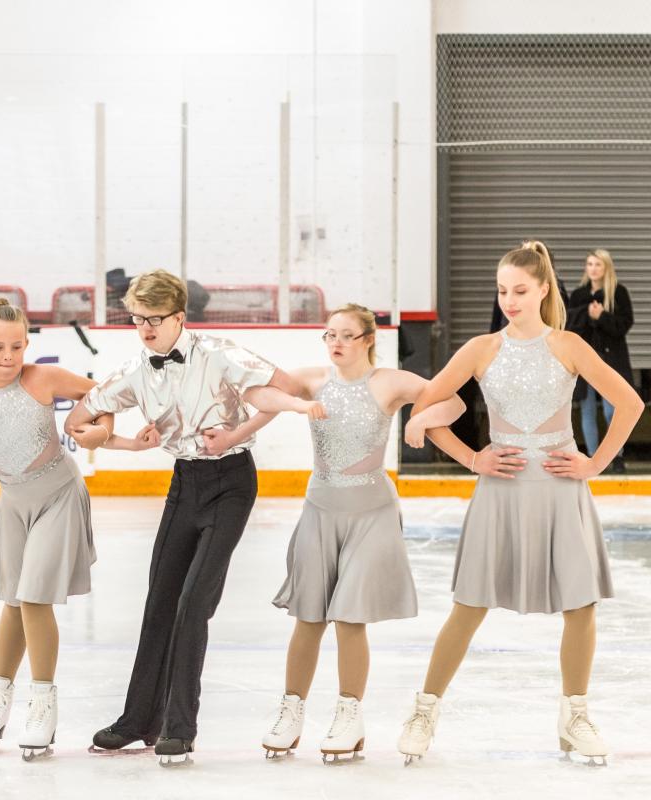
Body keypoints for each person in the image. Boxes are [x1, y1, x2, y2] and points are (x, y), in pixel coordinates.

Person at [396, 242, 643, 766]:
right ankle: (424, 710)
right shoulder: (481, 349)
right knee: (469, 607)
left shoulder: (569, 344)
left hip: (559, 487)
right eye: (503, 290)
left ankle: (574, 715)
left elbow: (630, 402)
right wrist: (472, 458)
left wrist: (594, 464)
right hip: (501, 491)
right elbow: (426, 406)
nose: (509, 300)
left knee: (580, 606)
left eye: (520, 290)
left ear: (543, 290)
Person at [65, 269, 309, 766]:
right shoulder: (136, 369)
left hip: (231, 485)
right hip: (183, 486)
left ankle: (181, 727)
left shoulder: (220, 353)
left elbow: (283, 389)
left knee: (193, 603)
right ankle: (138, 721)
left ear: (179, 317)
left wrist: (239, 433)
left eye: (154, 319)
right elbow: (79, 419)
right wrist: (118, 439)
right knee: (159, 604)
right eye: (137, 320)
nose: (146, 329)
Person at [0, 298, 154, 761]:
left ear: (26, 345)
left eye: (16, 346)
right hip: (13, 504)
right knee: (14, 602)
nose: (7, 356)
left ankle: (43, 702)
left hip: (58, 495)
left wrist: (103, 431)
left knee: (35, 598)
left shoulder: (43, 378)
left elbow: (103, 397)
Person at [226, 303, 464, 764]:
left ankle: (348, 714)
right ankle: (291, 709)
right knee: (309, 617)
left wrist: (418, 418)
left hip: (372, 513)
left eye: (346, 335)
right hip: (321, 511)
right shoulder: (313, 379)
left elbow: (452, 401)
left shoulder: (391, 383)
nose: (336, 343)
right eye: (329, 335)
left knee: (351, 617)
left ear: (367, 340)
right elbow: (260, 395)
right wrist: (262, 421)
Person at [566, 249, 636, 473]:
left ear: (606, 267)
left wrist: (602, 316)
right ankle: (594, 458)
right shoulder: (578, 295)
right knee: (586, 409)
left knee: (611, 409)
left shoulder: (618, 293)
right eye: (590, 264)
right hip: (584, 361)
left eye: (598, 264)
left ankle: (615, 455)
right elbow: (568, 324)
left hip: (611, 360)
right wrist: (588, 314)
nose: (593, 268)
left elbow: (624, 324)